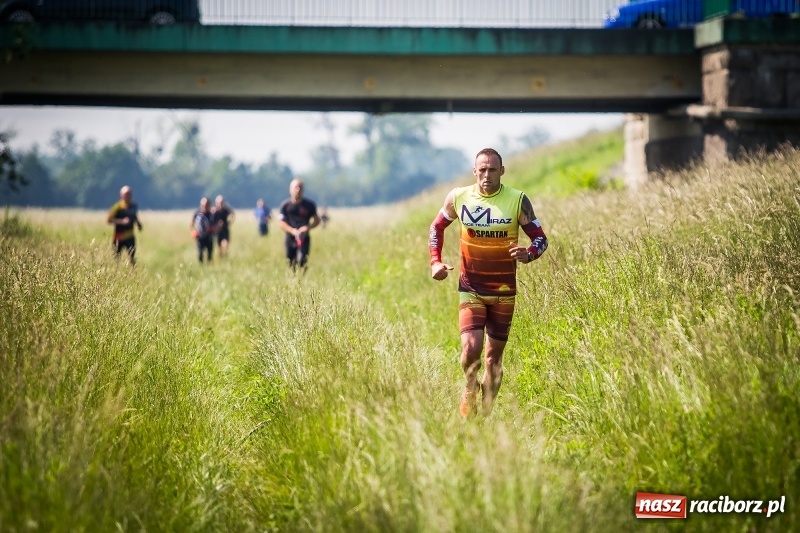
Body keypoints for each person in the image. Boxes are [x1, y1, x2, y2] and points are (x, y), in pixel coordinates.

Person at [428, 148, 548, 418]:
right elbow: (436, 227)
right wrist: (435, 261)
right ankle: (470, 386)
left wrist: (528, 254)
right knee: (471, 349)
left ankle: (484, 417)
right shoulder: (459, 197)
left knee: (494, 361)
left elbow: (541, 239)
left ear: (502, 171)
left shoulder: (517, 200)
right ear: (474, 171)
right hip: (470, 288)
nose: (486, 175)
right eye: (481, 169)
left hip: (504, 293)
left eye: (492, 169)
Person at [278, 178, 321, 272]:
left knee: (301, 260)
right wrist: (292, 230)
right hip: (290, 237)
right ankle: (293, 279)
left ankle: (301, 279)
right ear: (290, 189)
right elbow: (281, 222)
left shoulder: (310, 205)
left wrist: (307, 228)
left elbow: (317, 220)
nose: (298, 190)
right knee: (290, 262)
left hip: (303, 238)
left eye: (300, 187)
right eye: (295, 187)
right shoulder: (285, 205)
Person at [107, 185, 143, 266]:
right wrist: (122, 221)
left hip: (130, 236)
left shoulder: (134, 206)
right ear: (121, 195)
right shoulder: (117, 206)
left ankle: (133, 275)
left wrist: (138, 224)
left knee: (132, 258)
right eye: (126, 194)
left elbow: (134, 216)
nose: (128, 196)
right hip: (118, 236)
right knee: (116, 258)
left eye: (129, 194)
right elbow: (109, 220)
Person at [190, 197, 215, 264]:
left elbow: (216, 224)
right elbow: (191, 224)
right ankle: (201, 266)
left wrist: (214, 229)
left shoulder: (212, 214)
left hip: (209, 237)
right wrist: (193, 232)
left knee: (209, 254)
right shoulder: (197, 214)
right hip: (200, 237)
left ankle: (209, 267)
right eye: (203, 205)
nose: (205, 207)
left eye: (206, 205)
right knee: (200, 253)